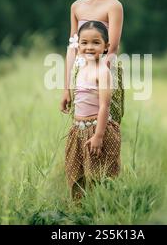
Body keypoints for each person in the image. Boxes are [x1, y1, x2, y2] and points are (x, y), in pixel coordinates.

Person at [60, 0, 124, 125]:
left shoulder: (114, 6)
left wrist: (96, 76)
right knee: (80, 127)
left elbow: (112, 47)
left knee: (102, 130)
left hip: (102, 76)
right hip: (79, 76)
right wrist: (67, 87)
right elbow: (73, 47)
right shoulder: (77, 6)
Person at [64, 21, 121, 200]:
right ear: (78, 45)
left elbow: (104, 105)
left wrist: (98, 135)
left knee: (100, 175)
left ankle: (103, 210)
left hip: (96, 128)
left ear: (106, 46)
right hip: (78, 129)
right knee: (77, 173)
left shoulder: (102, 72)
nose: (89, 47)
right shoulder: (80, 68)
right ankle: (80, 211)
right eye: (84, 42)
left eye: (96, 43)